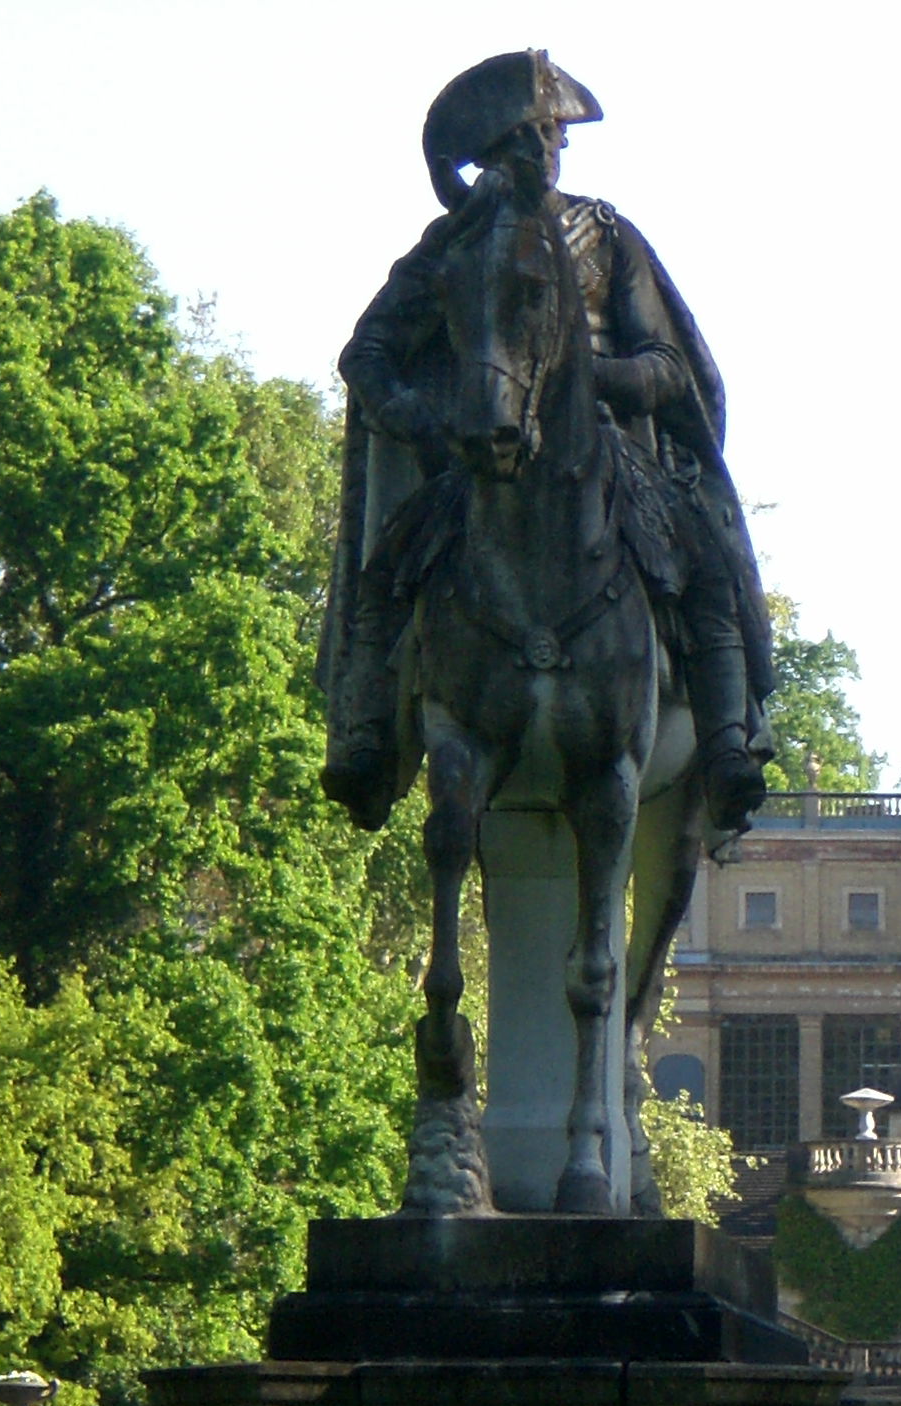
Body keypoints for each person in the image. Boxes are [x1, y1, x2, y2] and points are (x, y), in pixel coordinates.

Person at [321, 49, 774, 847]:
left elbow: (670, 366)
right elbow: (368, 353)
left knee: (706, 559)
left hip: (602, 447)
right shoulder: (454, 246)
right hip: (478, 452)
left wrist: (590, 378)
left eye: (550, 136)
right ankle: (365, 737)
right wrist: (417, 416)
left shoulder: (604, 237)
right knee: (391, 564)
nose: (542, 152)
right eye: (523, 138)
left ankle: (730, 741)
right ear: (491, 153)